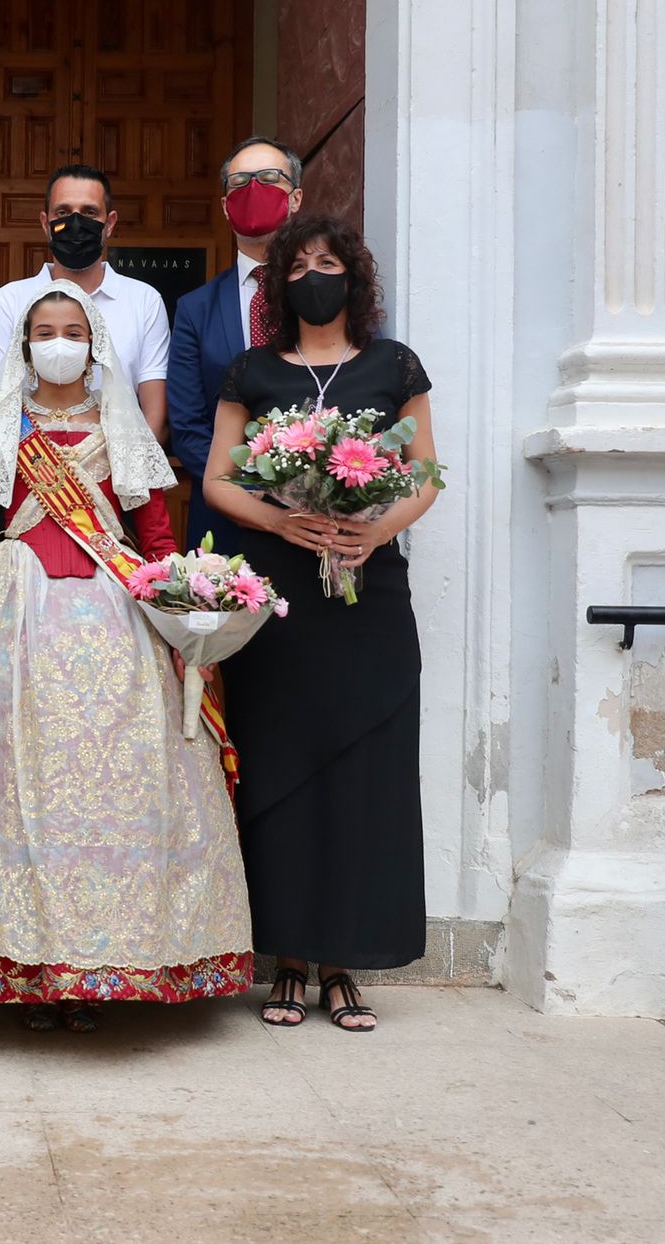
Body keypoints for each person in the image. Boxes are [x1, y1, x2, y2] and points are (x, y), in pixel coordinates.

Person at [0, 282, 253, 1033]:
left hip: (115, 623)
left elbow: (157, 542)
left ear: (95, 345)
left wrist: (185, 638)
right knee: (8, 791)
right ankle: (23, 968)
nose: (58, 341)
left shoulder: (123, 430)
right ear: (23, 345)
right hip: (9, 621)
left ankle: (102, 964)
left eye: (73, 330)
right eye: (43, 331)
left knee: (110, 790)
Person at [199, 214, 438, 1032]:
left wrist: (375, 526)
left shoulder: (392, 365)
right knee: (282, 770)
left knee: (363, 775)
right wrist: (279, 522)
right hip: (282, 597)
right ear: (277, 285)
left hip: (370, 598)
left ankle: (345, 964)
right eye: (297, 265)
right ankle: (288, 962)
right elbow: (219, 482)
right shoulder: (252, 370)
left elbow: (425, 475)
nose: (313, 275)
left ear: (355, 276)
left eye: (328, 261)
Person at [170, 137, 305, 554]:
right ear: (226, 205)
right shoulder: (195, 309)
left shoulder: (330, 295)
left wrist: (303, 488)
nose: (253, 189)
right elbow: (188, 425)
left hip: (314, 519)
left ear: (295, 198)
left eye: (268, 178)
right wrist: (248, 492)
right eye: (240, 182)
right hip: (224, 524)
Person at [0, 165, 172, 442]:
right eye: (63, 213)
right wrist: (44, 474)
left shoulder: (144, 300)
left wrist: (117, 476)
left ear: (109, 223)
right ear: (45, 223)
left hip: (117, 476)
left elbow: (155, 415)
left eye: (89, 213)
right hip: (30, 471)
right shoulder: (9, 300)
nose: (76, 223)